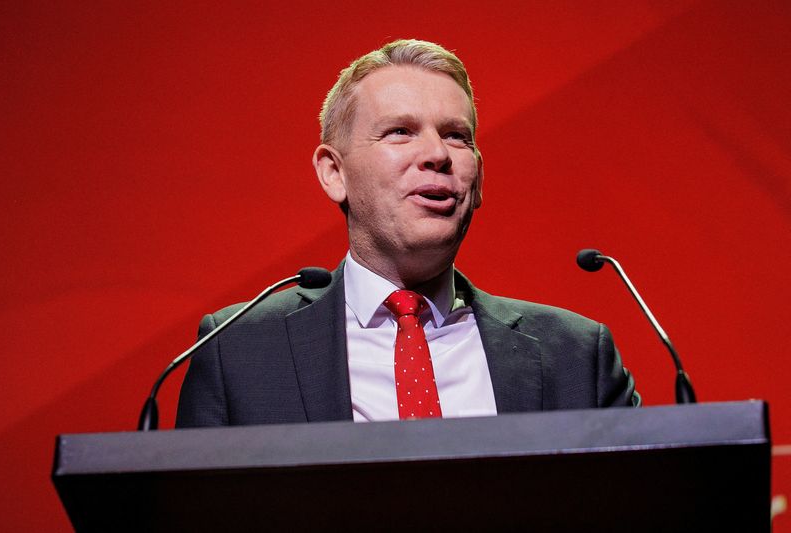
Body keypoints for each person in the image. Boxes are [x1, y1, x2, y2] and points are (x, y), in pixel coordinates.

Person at [176, 39, 639, 428]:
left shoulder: (577, 356)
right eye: (400, 132)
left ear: (477, 180)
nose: (437, 153)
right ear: (334, 173)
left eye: (457, 136)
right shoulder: (236, 349)